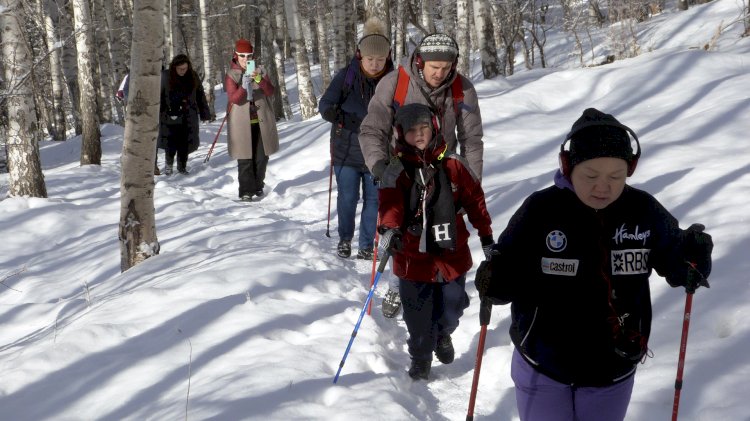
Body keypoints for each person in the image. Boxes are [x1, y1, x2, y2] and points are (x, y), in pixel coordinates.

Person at [475, 108, 714, 421]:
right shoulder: (542, 209)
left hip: (611, 367)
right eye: (591, 176)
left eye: (615, 177)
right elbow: (507, 269)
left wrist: (693, 257)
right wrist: (495, 280)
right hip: (543, 362)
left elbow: (679, 264)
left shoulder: (643, 210)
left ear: (629, 170)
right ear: (568, 167)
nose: (603, 187)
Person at [359, 33, 485, 318]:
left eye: (446, 67)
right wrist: (380, 167)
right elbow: (372, 129)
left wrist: (471, 184)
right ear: (420, 62)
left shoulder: (462, 89)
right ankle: (398, 284)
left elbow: (472, 139)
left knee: (441, 238)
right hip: (401, 173)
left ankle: (443, 305)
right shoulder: (395, 83)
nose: (440, 74)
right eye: (434, 68)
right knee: (401, 236)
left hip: (442, 176)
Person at [378, 103, 494, 381]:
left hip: (450, 254)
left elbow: (475, 201)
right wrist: (390, 229)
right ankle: (420, 357)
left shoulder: (453, 164)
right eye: (412, 131)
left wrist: (486, 235)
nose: (419, 135)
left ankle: (443, 334)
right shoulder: (396, 169)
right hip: (412, 256)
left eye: (424, 128)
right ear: (400, 133)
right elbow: (390, 204)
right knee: (418, 318)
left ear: (435, 128)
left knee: (453, 307)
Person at [319, 18, 394, 260]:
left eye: (380, 60)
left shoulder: (394, 80)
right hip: (346, 149)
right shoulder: (347, 76)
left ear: (388, 57)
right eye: (370, 59)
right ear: (360, 56)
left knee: (374, 199)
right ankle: (345, 239)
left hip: (378, 153)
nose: (374, 65)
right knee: (348, 198)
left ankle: (366, 245)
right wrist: (350, 122)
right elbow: (325, 106)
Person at [224, 38, 279, 201]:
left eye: (249, 56)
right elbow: (234, 98)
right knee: (245, 158)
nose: (246, 59)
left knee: (262, 157)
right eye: (242, 55)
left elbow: (270, 92)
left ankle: (258, 186)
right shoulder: (232, 75)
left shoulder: (260, 71)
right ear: (236, 55)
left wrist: (259, 80)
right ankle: (246, 192)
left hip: (262, 121)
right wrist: (243, 85)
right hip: (241, 124)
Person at [158, 54, 211, 175]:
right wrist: (160, 112)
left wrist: (205, 113)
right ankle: (168, 165)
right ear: (174, 67)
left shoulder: (192, 76)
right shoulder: (165, 76)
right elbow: (159, 96)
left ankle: (182, 167)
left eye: (185, 68)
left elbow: (200, 95)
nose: (183, 71)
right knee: (170, 142)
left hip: (188, 116)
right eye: (180, 69)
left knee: (185, 143)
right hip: (169, 115)